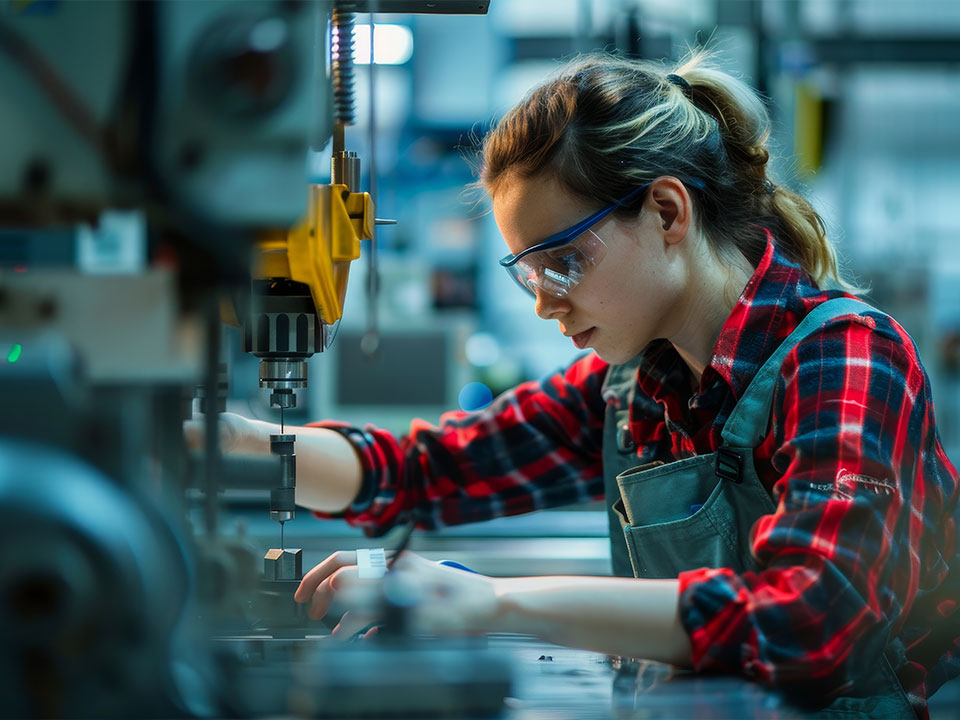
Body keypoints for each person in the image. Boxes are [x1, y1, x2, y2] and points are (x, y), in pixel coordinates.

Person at [189, 51, 959, 718]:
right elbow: (437, 468)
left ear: (666, 211)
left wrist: (498, 601)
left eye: (562, 263)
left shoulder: (845, 358)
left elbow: (810, 620)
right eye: (526, 273)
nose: (543, 300)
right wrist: (241, 447)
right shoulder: (637, 384)